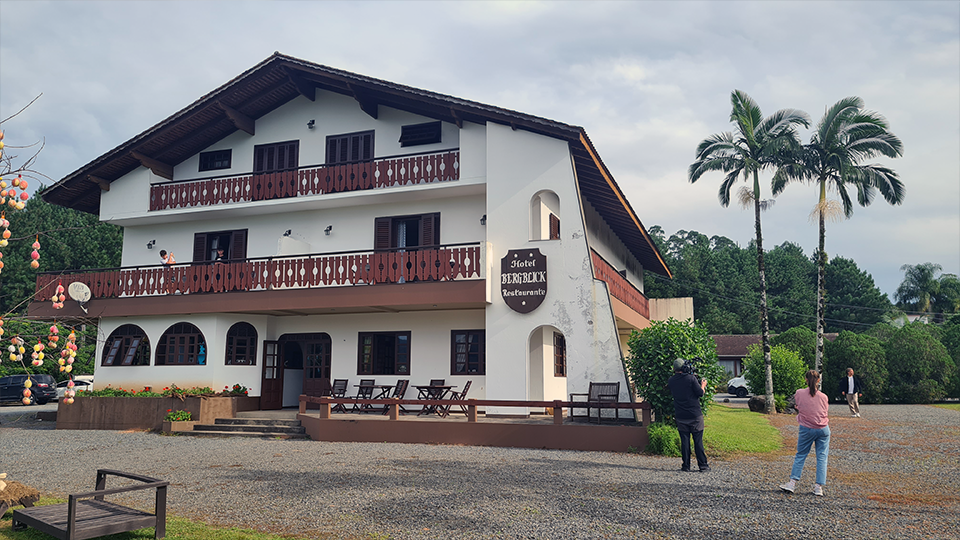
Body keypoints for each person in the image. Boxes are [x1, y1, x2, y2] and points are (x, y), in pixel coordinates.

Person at [780, 370, 830, 496]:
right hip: (823, 429)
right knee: (822, 457)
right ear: (818, 380)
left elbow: (798, 405)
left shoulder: (799, 393)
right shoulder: (824, 396)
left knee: (801, 455)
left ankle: (792, 483)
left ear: (806, 380)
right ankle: (818, 487)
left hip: (807, 428)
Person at [667, 358, 709, 472]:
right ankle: (703, 465)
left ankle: (686, 466)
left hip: (681, 415)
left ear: (674, 368)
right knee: (698, 441)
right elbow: (700, 393)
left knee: (684, 442)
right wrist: (703, 385)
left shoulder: (671, 381)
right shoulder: (691, 379)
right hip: (695, 415)